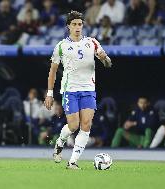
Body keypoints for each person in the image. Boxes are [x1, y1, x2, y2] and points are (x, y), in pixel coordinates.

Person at [44, 11, 112, 169]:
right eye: (74, 24)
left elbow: (108, 64)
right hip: (70, 90)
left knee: (86, 124)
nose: (77, 27)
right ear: (68, 26)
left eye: (80, 24)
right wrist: (49, 93)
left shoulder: (92, 42)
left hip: (88, 89)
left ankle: (73, 162)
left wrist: (104, 58)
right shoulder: (61, 46)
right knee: (73, 125)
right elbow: (53, 71)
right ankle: (60, 143)